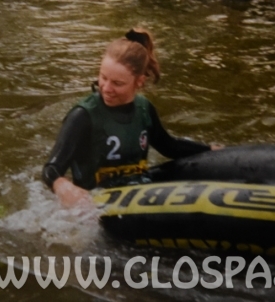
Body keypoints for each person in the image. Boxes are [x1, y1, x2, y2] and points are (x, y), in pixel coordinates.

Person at [42, 29, 222, 208]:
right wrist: (62, 185)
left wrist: (210, 150)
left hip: (137, 196)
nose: (106, 88)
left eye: (117, 83)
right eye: (103, 77)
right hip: (95, 205)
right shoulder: (82, 116)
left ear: (139, 81)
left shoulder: (144, 109)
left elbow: (169, 146)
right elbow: (51, 169)